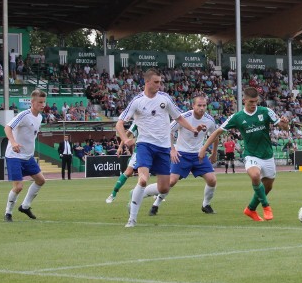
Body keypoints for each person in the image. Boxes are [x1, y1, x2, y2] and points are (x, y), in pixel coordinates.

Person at [115, 68, 199, 228]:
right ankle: (132, 219)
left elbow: (178, 117)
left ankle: (135, 194)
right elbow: (119, 123)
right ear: (147, 82)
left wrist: (192, 129)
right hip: (144, 145)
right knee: (143, 179)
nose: (159, 85)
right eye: (156, 82)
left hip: (163, 147)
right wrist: (125, 139)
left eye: (160, 82)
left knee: (164, 187)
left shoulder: (165, 99)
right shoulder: (137, 101)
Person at [199, 86, 289, 222]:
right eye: (250, 102)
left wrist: (285, 124)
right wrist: (204, 148)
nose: (253, 105)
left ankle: (250, 209)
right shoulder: (237, 117)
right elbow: (217, 132)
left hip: (267, 155)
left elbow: (283, 127)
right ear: (244, 100)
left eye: (255, 102)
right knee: (255, 175)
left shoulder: (266, 111)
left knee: (267, 187)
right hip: (250, 154)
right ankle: (266, 206)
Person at [142, 94, 219, 216]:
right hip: (182, 154)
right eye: (199, 105)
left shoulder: (209, 120)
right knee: (170, 182)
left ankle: (206, 205)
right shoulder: (184, 117)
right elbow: (168, 131)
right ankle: (153, 202)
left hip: (198, 154)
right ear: (193, 105)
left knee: (212, 180)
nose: (202, 108)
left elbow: (215, 136)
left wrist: (214, 153)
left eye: (204, 105)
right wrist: (172, 150)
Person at [3, 89, 47, 222]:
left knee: (41, 180)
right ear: (32, 102)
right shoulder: (24, 115)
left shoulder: (39, 117)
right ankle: (8, 213)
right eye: (40, 102)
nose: (43, 105)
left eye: (44, 102)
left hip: (28, 156)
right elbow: (7, 127)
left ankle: (25, 206)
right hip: (14, 156)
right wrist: (13, 142)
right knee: (18, 187)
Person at [106, 123, 138, 203]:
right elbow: (126, 134)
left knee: (157, 173)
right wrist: (120, 147)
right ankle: (113, 194)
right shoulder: (136, 122)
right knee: (128, 172)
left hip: (154, 149)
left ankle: (157, 194)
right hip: (139, 151)